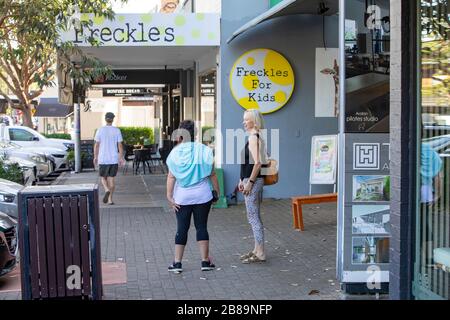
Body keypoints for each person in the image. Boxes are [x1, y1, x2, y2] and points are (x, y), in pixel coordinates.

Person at [166, 120, 220, 273]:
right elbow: (212, 174)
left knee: (182, 228)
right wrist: (217, 192)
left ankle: (177, 264)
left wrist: (169, 196)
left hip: (182, 196)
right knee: (201, 227)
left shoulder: (175, 153)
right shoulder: (204, 150)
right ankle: (204, 262)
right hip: (203, 195)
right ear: (195, 133)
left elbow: (171, 177)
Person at [239, 109, 267, 264]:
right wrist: (240, 179)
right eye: (244, 119)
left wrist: (249, 182)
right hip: (250, 180)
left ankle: (261, 252)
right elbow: (247, 162)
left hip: (253, 181)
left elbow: (257, 163)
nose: (244, 122)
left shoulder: (253, 138)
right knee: (253, 215)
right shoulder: (254, 137)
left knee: (253, 217)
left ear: (254, 122)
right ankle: (257, 249)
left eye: (246, 120)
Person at [93, 112, 124, 205]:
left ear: (105, 119)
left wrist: (95, 157)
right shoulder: (117, 130)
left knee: (103, 178)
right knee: (111, 179)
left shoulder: (100, 130)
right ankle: (110, 199)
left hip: (103, 158)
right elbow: (120, 145)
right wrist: (121, 157)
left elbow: (97, 145)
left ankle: (106, 189)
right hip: (113, 159)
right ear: (113, 119)